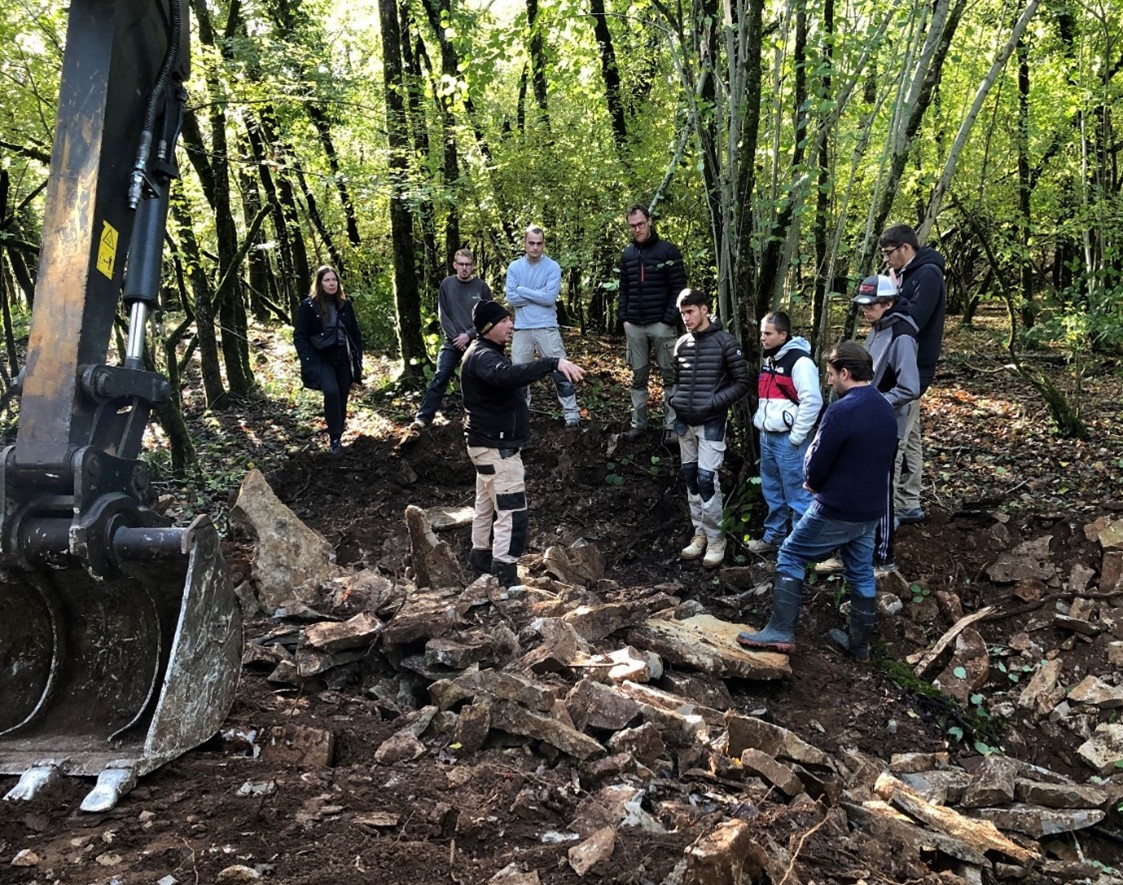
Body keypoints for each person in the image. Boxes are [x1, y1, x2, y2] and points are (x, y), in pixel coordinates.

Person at [737, 341, 897, 662]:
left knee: (790, 554)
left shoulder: (841, 411)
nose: (828, 381)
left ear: (845, 373)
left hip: (837, 507)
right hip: (871, 509)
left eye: (831, 374)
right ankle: (859, 645)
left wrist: (813, 481)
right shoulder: (884, 407)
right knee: (861, 571)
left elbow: (816, 461)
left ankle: (781, 631)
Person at [461, 300, 585, 587]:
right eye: (505, 321)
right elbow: (508, 377)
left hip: (486, 446)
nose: (512, 326)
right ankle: (505, 578)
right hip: (496, 449)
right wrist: (552, 362)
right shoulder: (483, 357)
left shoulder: (484, 353)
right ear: (489, 326)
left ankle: (480, 565)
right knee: (512, 510)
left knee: (486, 505)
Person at [669, 288, 752, 569]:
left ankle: (717, 539)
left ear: (705, 309)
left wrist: (713, 403)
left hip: (712, 422)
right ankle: (700, 533)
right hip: (684, 421)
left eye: (690, 312)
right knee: (691, 477)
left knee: (707, 479)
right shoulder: (681, 343)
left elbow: (742, 382)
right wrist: (675, 400)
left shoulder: (726, 343)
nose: (687, 318)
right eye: (683, 313)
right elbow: (675, 378)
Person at [852, 274, 920, 573]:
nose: (865, 311)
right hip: (868, 418)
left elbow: (909, 387)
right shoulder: (877, 328)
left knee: (882, 489)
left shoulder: (902, 333)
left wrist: (877, 402)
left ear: (888, 303)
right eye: (863, 305)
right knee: (862, 484)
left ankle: (884, 556)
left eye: (871, 305)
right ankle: (858, 549)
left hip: (887, 423)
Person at [879, 224, 946, 524]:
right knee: (913, 438)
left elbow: (915, 318)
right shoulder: (911, 273)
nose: (887, 260)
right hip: (905, 364)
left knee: (897, 441)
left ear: (906, 248)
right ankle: (910, 502)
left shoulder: (928, 274)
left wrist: (893, 294)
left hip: (913, 368)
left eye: (889, 253)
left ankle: (890, 511)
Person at [749, 311, 822, 555]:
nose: (763, 338)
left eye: (768, 334)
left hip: (788, 439)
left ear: (783, 334)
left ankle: (800, 547)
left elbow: (812, 401)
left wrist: (796, 436)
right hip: (767, 436)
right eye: (762, 332)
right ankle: (774, 538)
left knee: (798, 494)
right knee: (772, 490)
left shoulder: (800, 362)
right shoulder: (770, 359)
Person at [618, 204, 687, 442]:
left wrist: (668, 319)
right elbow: (623, 289)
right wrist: (624, 319)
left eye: (640, 224)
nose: (637, 229)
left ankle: (671, 428)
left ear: (649, 221)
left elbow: (679, 288)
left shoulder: (668, 251)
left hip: (661, 324)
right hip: (634, 325)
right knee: (638, 376)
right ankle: (639, 424)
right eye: (632, 226)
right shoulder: (627, 254)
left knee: (671, 375)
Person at [408, 249, 492, 433]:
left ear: (472, 266)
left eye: (468, 264)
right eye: (461, 264)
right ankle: (422, 419)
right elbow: (443, 314)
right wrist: (456, 338)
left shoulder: (481, 287)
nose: (464, 268)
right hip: (452, 341)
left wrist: (468, 335)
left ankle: (486, 419)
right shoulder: (447, 284)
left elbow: (488, 317)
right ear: (454, 265)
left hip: (476, 341)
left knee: (483, 379)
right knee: (440, 375)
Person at [505, 225, 581, 427]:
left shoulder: (552, 267)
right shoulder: (514, 267)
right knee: (519, 376)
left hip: (547, 326)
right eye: (531, 243)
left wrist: (522, 290)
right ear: (525, 243)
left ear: (544, 244)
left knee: (560, 370)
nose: (535, 247)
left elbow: (549, 299)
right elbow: (511, 298)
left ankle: (571, 413)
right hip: (522, 328)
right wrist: (536, 293)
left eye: (539, 243)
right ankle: (520, 416)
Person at [294, 265, 363, 454]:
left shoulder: (344, 304)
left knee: (341, 397)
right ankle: (334, 438)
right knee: (331, 392)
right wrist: (307, 359)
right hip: (321, 357)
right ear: (319, 283)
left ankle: (337, 438)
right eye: (327, 280)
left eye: (334, 280)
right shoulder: (308, 306)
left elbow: (355, 334)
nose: (331, 284)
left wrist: (358, 359)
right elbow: (300, 335)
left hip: (343, 357)